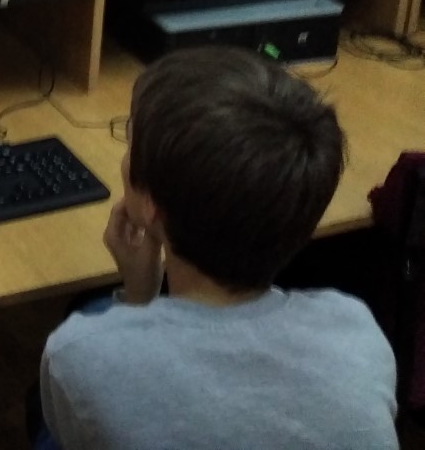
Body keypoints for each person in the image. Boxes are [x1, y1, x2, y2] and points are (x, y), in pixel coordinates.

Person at [36, 46, 397, 450]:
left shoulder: (79, 353)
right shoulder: (357, 332)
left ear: (152, 204)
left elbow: (112, 402)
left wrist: (139, 303)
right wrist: (142, 297)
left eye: (129, 137)